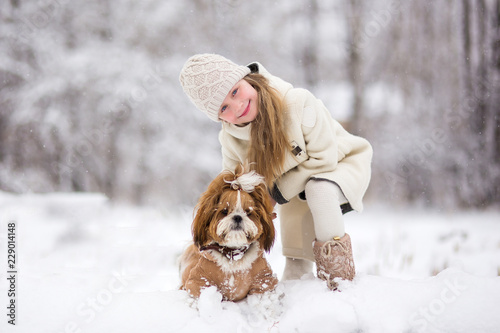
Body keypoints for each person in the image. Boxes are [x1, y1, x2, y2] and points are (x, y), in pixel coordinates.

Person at [179, 53, 372, 290]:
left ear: (247, 79)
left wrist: (274, 195)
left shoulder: (298, 103)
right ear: (219, 117)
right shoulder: (230, 139)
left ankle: (338, 279)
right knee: (294, 250)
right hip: (289, 184)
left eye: (235, 91)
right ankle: (297, 282)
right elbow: (232, 185)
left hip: (341, 163)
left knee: (318, 189)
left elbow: (325, 158)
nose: (237, 106)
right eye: (224, 107)